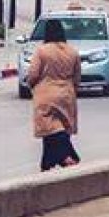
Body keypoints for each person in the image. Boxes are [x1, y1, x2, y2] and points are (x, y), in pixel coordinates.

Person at [27, 19, 81, 172]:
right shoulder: (72, 51)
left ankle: (68, 157)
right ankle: (47, 165)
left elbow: (33, 74)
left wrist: (32, 85)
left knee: (51, 128)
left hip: (46, 93)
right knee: (60, 126)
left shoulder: (42, 51)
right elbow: (77, 77)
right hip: (67, 94)